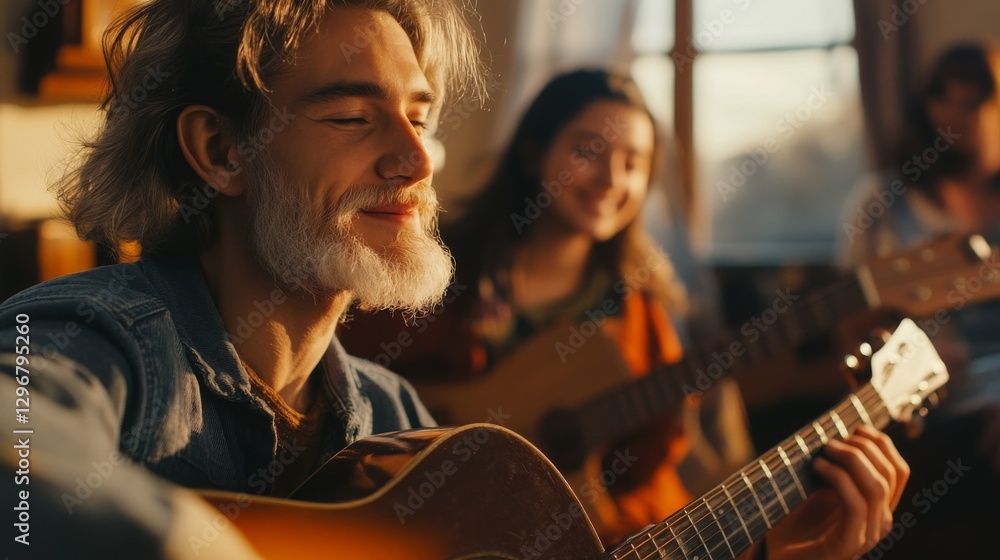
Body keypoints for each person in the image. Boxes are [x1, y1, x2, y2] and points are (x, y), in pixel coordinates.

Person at [0, 1, 905, 558]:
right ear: (222, 150)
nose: (415, 158)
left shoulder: (395, 418)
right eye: (353, 117)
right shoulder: (99, 335)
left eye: (420, 116)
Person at [339, 69, 910, 558]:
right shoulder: (426, 268)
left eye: (634, 163)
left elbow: (649, 481)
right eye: (588, 151)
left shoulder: (644, 316)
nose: (612, 179)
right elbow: (344, 388)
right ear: (535, 152)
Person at [836, 42, 1000, 557]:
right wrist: (893, 349)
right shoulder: (881, 206)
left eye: (972, 101)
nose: (952, 116)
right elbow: (850, 331)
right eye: (941, 98)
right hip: (918, 413)